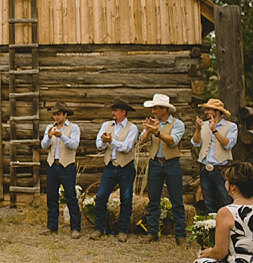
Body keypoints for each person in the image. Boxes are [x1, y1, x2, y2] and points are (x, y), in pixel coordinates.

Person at [89, 97, 138, 243]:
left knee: (126, 199)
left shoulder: (132, 128)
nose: (113, 113)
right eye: (112, 110)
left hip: (126, 167)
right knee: (101, 197)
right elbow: (98, 145)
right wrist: (104, 142)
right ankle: (99, 228)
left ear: (123, 112)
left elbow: (127, 147)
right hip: (110, 166)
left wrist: (111, 141)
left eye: (115, 110)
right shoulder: (106, 125)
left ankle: (123, 231)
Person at [140, 94, 187, 245]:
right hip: (155, 163)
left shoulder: (177, 124)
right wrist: (148, 130)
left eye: (155, 108)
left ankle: (180, 235)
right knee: (153, 200)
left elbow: (173, 141)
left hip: (171, 164)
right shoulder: (153, 123)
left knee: (177, 201)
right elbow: (142, 140)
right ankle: (152, 232)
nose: (153, 111)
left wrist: (157, 133)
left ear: (164, 109)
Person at [194, 161, 253, 262]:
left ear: (233, 187)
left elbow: (221, 252)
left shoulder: (227, 212)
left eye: (226, 181)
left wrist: (209, 252)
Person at [39, 102, 81, 239]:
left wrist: (61, 136)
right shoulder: (49, 127)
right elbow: (44, 145)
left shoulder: (74, 128)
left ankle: (75, 227)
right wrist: (50, 136)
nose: (56, 117)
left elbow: (74, 144)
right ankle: (51, 226)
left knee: (70, 196)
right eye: (54, 114)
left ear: (65, 115)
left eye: (58, 114)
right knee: (51, 197)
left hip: (67, 166)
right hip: (52, 165)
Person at [191, 98, 238, 213]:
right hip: (204, 168)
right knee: (208, 202)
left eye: (208, 110)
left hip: (221, 169)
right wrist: (198, 129)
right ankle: (211, 227)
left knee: (226, 199)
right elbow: (195, 143)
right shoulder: (204, 125)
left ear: (217, 111)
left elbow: (228, 144)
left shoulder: (231, 126)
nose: (206, 112)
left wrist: (214, 131)